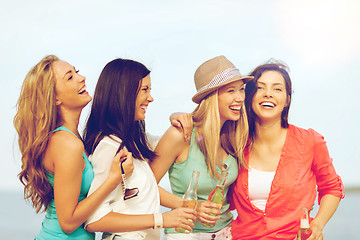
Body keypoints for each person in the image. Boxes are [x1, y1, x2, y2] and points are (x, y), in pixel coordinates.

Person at [13, 55, 129, 239]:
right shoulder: (67, 144)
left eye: (77, 72)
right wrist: (113, 180)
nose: (81, 78)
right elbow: (67, 223)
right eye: (70, 77)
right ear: (55, 98)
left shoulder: (70, 138)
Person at [229, 60, 345, 240]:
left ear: (287, 100)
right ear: (250, 96)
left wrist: (318, 224)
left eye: (277, 89)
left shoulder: (310, 141)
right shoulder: (234, 143)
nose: (268, 94)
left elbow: (332, 188)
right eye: (260, 88)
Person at [83, 58, 197, 240]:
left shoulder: (135, 142)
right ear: (124, 93)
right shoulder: (108, 147)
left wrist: (176, 117)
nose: (150, 98)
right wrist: (160, 219)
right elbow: (94, 220)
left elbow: (172, 141)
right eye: (145, 90)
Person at [150, 55, 253, 239]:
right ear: (211, 96)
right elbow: (145, 185)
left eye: (241, 90)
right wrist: (191, 206)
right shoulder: (180, 134)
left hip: (226, 233)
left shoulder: (235, 134)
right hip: (186, 234)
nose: (239, 98)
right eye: (231, 91)